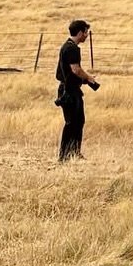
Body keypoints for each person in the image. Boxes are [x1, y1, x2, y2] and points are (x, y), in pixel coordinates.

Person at [55, 19, 98, 162]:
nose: (86, 35)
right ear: (80, 32)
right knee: (72, 122)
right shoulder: (72, 48)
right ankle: (65, 155)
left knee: (78, 121)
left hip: (70, 89)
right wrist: (89, 78)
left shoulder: (67, 46)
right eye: (86, 32)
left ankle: (73, 152)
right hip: (69, 90)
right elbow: (76, 69)